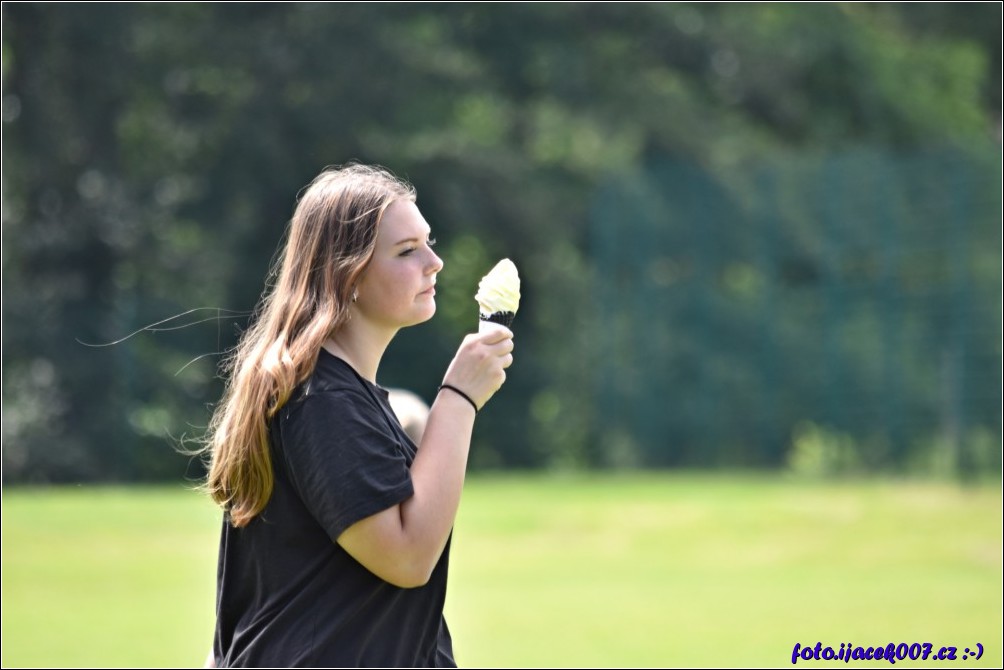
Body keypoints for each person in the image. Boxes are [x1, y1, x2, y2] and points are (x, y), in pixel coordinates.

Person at [201, 163, 515, 667]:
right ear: (347, 274)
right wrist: (459, 396)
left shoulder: (336, 393)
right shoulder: (320, 400)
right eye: (407, 251)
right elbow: (408, 557)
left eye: (428, 243)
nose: (434, 262)